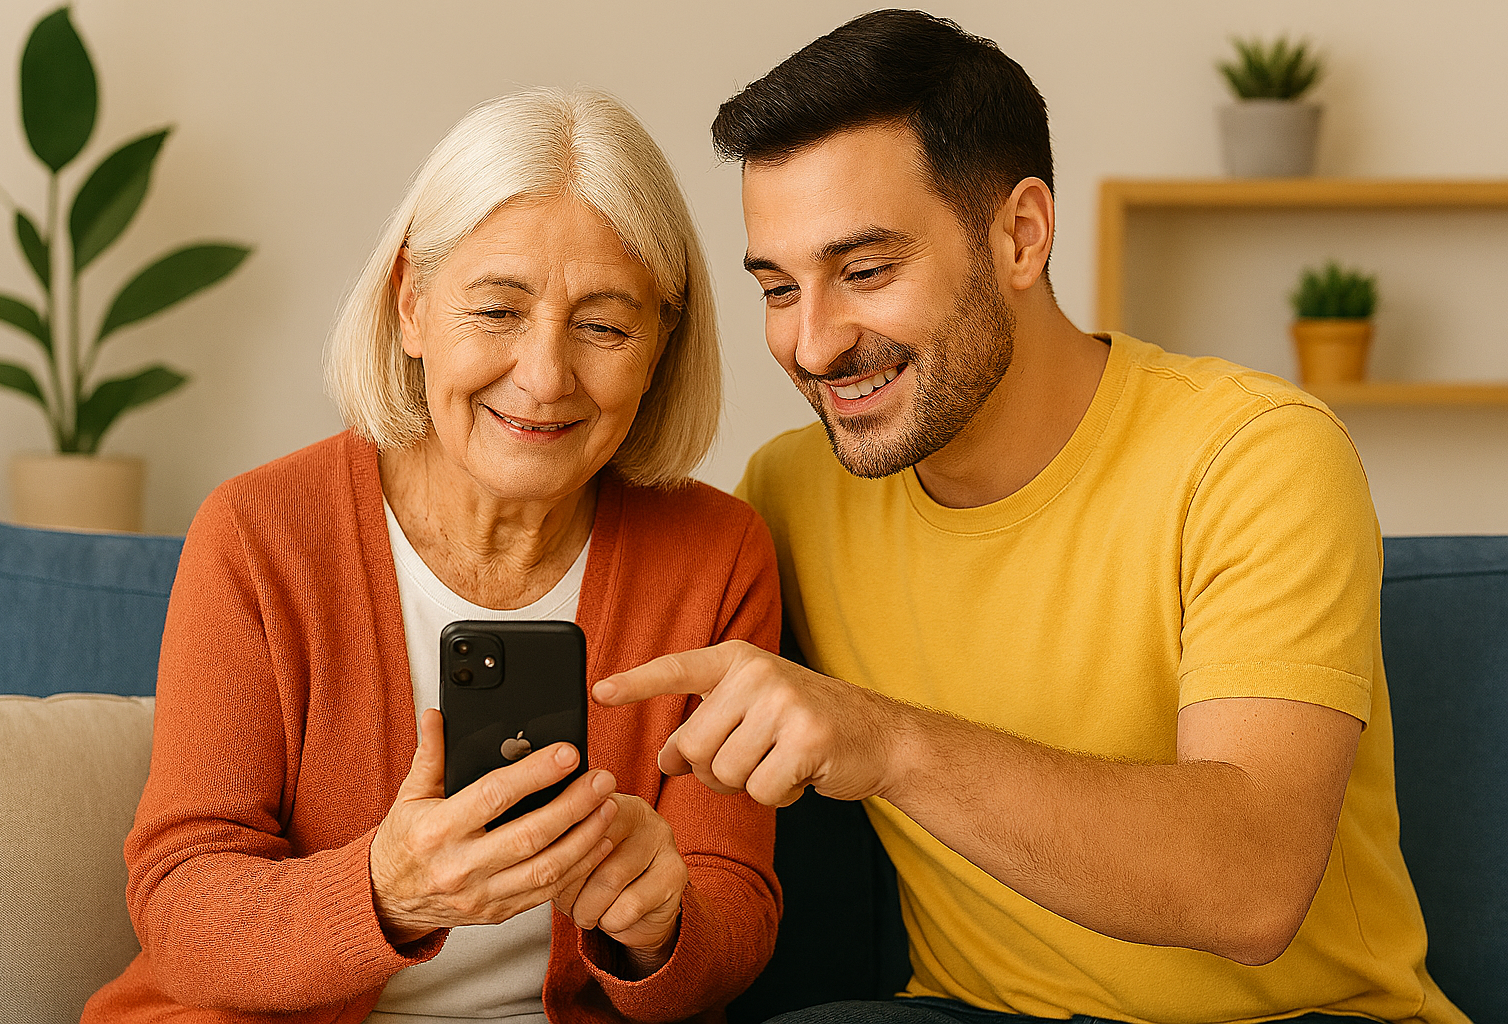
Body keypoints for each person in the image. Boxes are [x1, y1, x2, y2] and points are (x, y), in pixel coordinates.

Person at [594, 12, 1469, 1024]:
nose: (815, 342)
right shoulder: (792, 492)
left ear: (1021, 235)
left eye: (867, 272)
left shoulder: (1256, 452)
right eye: (780, 287)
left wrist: (890, 743)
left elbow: (1254, 885)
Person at [83, 87, 781, 1024]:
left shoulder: (718, 555)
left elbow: (732, 905)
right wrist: (385, 888)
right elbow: (181, 904)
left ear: (662, 343)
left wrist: (660, 926)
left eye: (605, 326)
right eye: (497, 309)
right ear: (412, 305)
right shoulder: (258, 533)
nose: (542, 376)